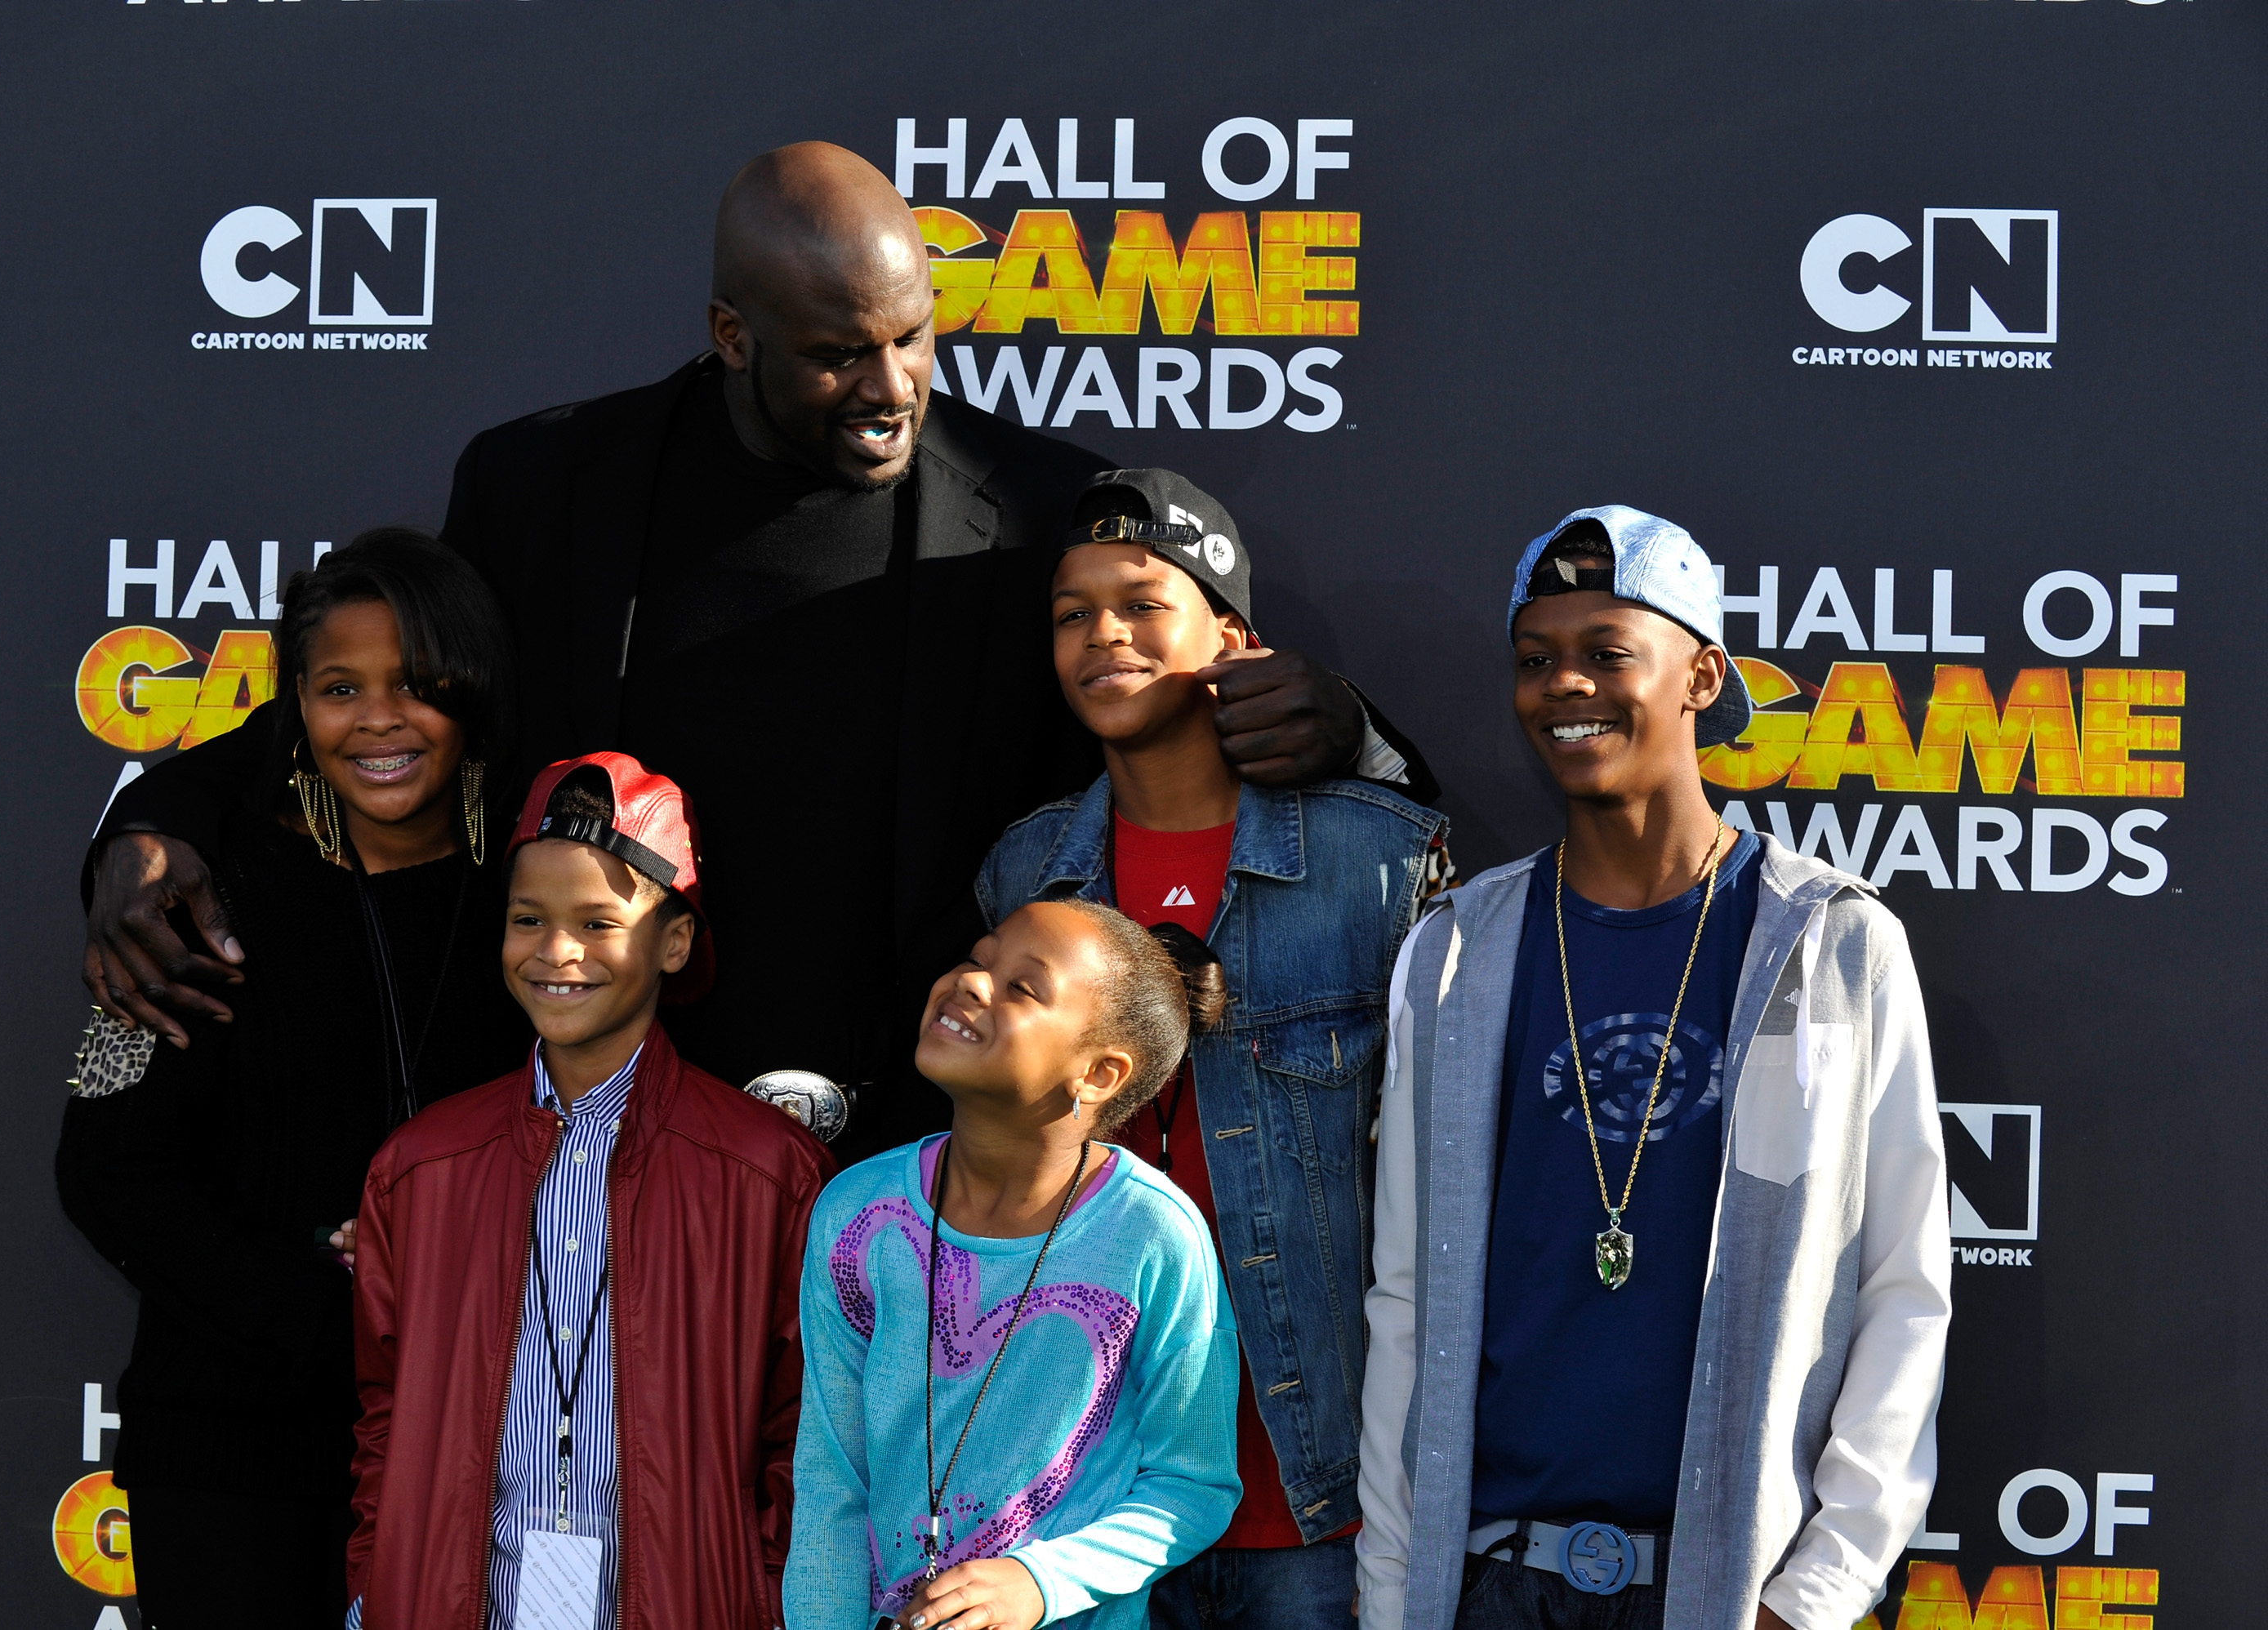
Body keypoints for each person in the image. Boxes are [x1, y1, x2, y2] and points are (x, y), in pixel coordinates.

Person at [79, 140, 1436, 1163]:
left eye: (912, 338)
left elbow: (1191, 722)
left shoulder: (1032, 511)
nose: (894, 387)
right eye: (843, 355)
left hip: (918, 1166)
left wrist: (1346, 733)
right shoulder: (545, 489)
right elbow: (380, 706)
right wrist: (161, 819)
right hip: (607, 1144)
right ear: (736, 338)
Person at [1355, 508, 1951, 1630]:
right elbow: (1405, 1300)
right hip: (1491, 1585)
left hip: (1730, 1592)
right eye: (1537, 661)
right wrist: (1394, 1599)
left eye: (1606, 652)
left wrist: (1817, 1595)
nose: (1564, 686)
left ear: (1702, 674)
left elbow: (1903, 1289)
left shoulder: (1829, 942)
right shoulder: (1456, 949)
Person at [975, 470, 1448, 1628]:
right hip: (1080, 1495)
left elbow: (1451, 1178)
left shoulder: (1378, 862)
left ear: (1232, 639)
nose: (1104, 637)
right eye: (1073, 614)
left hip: (1311, 1496)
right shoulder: (1025, 875)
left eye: (1141, 602)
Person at [54, 528, 532, 1626]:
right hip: (233, 1459)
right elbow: (107, 1173)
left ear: (475, 692)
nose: (378, 720)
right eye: (338, 688)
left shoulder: (529, 903)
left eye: (418, 685)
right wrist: (331, 1325)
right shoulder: (194, 911)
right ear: (291, 708)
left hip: (475, 1462)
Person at [344, 750, 832, 1630]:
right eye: (528, 918)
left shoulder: (770, 1171)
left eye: (599, 922)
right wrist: (376, 1590)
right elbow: (385, 1420)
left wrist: (761, 1600)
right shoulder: (419, 1166)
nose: (556, 952)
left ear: (674, 941)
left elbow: (806, 1437)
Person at [788, 901, 1244, 1630]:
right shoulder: (856, 1214)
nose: (972, 983)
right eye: (978, 958)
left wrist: (1040, 1582)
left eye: (1022, 988)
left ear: (1098, 1073)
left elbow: (1193, 1487)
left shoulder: (1154, 1233)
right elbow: (829, 1482)